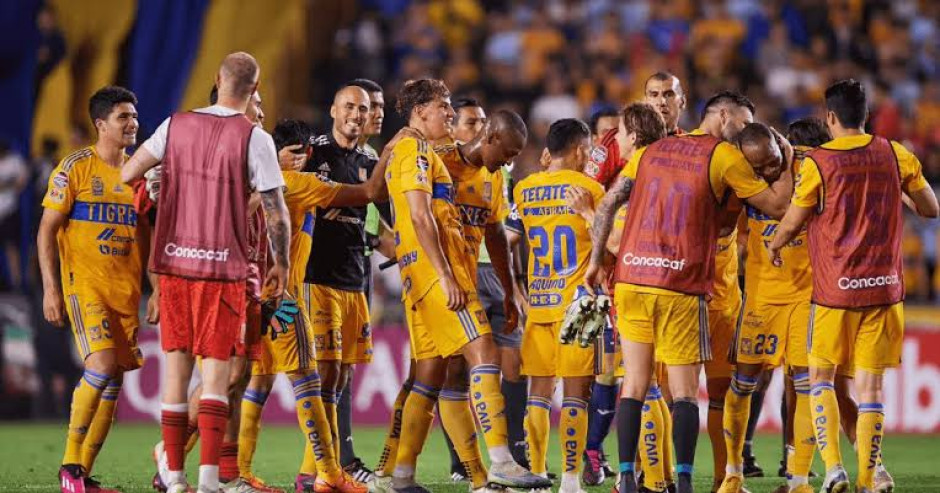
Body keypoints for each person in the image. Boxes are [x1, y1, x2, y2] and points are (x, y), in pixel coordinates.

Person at [588, 90, 793, 493]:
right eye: (743, 120)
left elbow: (609, 201)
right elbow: (779, 206)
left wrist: (597, 260)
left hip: (632, 278)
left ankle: (628, 478)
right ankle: (683, 482)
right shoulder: (723, 156)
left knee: (633, 385)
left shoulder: (653, 151)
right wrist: (784, 155)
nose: (747, 129)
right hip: (680, 282)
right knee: (684, 393)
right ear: (723, 116)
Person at [121, 52, 291, 493]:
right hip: (223, 270)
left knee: (176, 378)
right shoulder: (255, 137)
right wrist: (283, 263)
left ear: (217, 80)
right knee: (217, 381)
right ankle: (210, 480)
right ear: (254, 89)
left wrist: (162, 179)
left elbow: (128, 173)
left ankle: (175, 478)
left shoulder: (175, 125)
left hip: (176, 265)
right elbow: (277, 212)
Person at [767, 79, 938, 493]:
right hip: (884, 290)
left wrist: (775, 244)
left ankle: (833, 470)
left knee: (822, 379)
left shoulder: (819, 163)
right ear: (868, 112)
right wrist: (899, 196)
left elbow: (794, 219)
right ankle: (872, 475)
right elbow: (931, 209)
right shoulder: (896, 154)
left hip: (834, 293)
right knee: (872, 387)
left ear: (829, 117)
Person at [380, 78, 549, 493]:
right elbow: (413, 211)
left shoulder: (493, 181)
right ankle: (500, 462)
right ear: (488, 136)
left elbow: (496, 238)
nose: (507, 162)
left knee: (434, 376)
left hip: (452, 275)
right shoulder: (430, 154)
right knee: (483, 350)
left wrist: (511, 291)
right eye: (505, 152)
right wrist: (439, 272)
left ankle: (403, 477)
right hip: (440, 276)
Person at [39, 85, 152, 493]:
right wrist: (52, 290)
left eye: (134, 116)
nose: (133, 123)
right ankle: (69, 466)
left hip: (125, 293)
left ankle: (82, 475)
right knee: (101, 365)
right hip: (85, 286)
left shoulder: (142, 174)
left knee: (115, 379)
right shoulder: (75, 168)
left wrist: (154, 287)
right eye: (123, 117)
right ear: (101, 124)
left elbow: (148, 235)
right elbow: (47, 230)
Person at [514, 118, 605, 493]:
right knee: (575, 394)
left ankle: (536, 473)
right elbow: (608, 241)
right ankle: (570, 479)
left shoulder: (523, 189)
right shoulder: (590, 188)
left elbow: (511, 239)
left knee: (538, 392)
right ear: (582, 150)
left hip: (540, 300)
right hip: (580, 304)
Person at [301, 84, 380, 484]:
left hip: (355, 277)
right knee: (323, 373)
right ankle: (325, 471)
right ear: (333, 109)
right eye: (349, 105)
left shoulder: (370, 158)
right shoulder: (312, 153)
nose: (356, 114)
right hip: (315, 276)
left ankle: (315, 471)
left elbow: (378, 219)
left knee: (342, 376)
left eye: (363, 109)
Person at [581, 105, 632, 485]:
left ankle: (597, 454)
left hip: (616, 278)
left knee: (614, 373)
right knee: (594, 376)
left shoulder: (625, 185)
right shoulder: (585, 183)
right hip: (588, 285)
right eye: (604, 135)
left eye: (617, 133)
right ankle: (589, 453)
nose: (610, 142)